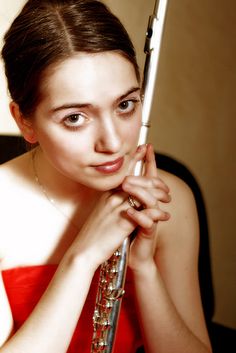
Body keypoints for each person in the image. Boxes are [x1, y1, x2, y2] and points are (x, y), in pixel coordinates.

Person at [0, 0, 212, 352]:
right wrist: (82, 257)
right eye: (75, 118)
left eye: (125, 105)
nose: (113, 142)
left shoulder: (169, 198)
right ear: (25, 121)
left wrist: (144, 269)